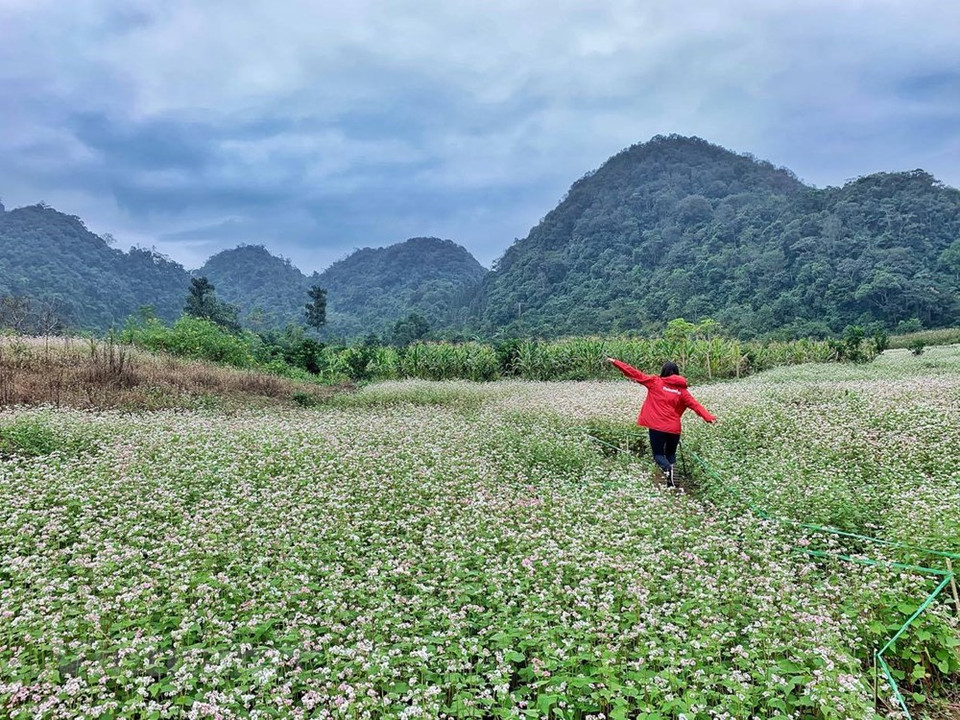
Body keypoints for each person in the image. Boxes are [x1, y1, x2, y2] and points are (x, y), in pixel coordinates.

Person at [606, 357, 716, 487]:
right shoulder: (682, 391)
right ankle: (672, 483)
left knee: (658, 454)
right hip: (674, 429)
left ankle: (669, 471)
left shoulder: (655, 382)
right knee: (670, 453)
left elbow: (634, 373)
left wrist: (616, 362)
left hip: (657, 427)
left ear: (663, 371)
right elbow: (695, 405)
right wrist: (709, 418)